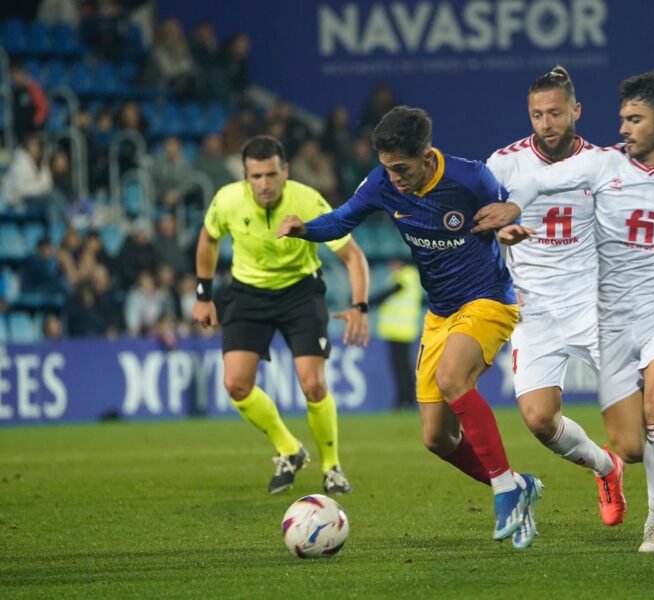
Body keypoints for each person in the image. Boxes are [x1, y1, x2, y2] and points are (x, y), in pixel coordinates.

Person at [474, 71, 654, 552]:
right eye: (537, 114)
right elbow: (506, 203)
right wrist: (502, 228)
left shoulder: (604, 163)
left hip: (596, 306)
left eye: (555, 113)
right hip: (537, 312)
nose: (546, 123)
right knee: (539, 420)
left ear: (575, 112)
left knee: (646, 424)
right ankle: (605, 470)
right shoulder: (504, 163)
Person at [275, 106, 543, 549]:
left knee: (453, 379)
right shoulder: (382, 182)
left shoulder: (471, 179)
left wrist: (508, 230)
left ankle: (505, 489)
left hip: (488, 299)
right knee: (436, 438)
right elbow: (342, 219)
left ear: (426, 155)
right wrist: (304, 229)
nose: (394, 178)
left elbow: (503, 217)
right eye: (387, 168)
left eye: (402, 168)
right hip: (439, 313)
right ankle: (518, 483)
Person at [191, 135, 371, 496]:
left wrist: (359, 306)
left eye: (271, 174)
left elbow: (352, 255)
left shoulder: (306, 200)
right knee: (235, 385)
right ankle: (289, 449)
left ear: (285, 171)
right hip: (247, 293)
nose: (264, 184)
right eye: (255, 176)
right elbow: (209, 238)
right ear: (245, 176)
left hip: (300, 293)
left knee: (313, 384)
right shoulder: (227, 200)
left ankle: (332, 467)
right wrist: (204, 295)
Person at [371, 258, 423, 410]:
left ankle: (405, 400)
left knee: (402, 369)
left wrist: (370, 302)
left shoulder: (406, 276)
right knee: (401, 368)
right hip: (399, 330)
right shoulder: (407, 277)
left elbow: (391, 292)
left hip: (401, 330)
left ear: (400, 264)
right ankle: (405, 399)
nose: (390, 267)